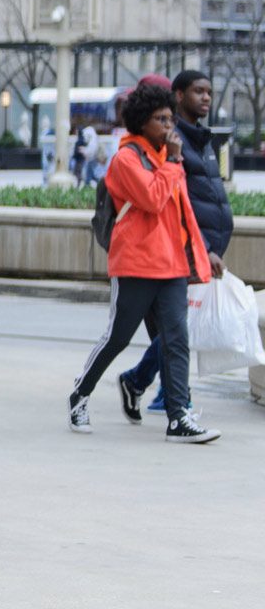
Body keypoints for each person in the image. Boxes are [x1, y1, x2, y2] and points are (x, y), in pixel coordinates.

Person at [69, 81, 218, 443]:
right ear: (141, 122)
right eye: (160, 119)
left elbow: (182, 213)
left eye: (170, 119)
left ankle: (178, 416)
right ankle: (80, 394)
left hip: (171, 265)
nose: (169, 126)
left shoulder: (166, 158)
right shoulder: (126, 159)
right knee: (118, 337)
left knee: (176, 340)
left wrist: (202, 255)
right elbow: (152, 199)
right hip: (136, 264)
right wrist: (172, 161)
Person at [126, 70, 232, 416]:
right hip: (183, 252)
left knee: (177, 330)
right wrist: (202, 247)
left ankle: (148, 387)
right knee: (174, 331)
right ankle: (169, 398)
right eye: (198, 91)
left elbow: (211, 193)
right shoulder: (173, 143)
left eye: (209, 92)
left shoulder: (203, 139)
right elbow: (176, 203)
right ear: (178, 95)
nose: (206, 98)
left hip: (203, 252)